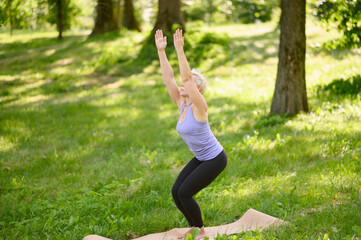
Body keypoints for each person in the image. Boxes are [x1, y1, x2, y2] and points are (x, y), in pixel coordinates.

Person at [155, 28, 228, 240]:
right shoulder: (181, 104)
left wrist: (180, 51)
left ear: (198, 89)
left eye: (190, 82)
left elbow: (186, 78)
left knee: (185, 193)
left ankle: (200, 230)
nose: (183, 83)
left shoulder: (199, 107)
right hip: (201, 158)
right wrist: (161, 51)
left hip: (215, 159)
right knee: (176, 192)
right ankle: (195, 227)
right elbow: (169, 78)